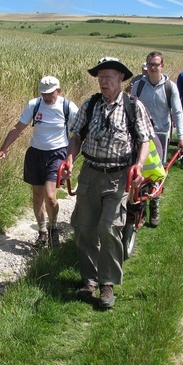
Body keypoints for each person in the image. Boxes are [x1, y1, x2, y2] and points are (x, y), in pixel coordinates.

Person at [62, 57, 155, 308]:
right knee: (84, 226)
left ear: (121, 78)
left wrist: (139, 165)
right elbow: (77, 135)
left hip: (118, 176)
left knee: (110, 227)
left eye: (109, 76)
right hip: (90, 173)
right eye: (100, 76)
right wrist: (70, 159)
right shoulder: (90, 104)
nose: (103, 81)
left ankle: (107, 284)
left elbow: (144, 140)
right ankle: (89, 280)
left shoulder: (133, 106)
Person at [0, 76, 78, 249]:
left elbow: (77, 133)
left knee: (50, 196)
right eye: (43, 93)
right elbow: (18, 128)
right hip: (35, 154)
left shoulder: (67, 107)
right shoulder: (34, 105)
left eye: (50, 93)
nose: (46, 97)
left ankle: (53, 227)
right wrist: (3, 149)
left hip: (57, 154)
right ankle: (42, 233)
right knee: (37, 196)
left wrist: (70, 159)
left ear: (59, 91)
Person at [130, 51, 183, 226]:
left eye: (156, 64)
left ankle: (154, 206)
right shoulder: (138, 86)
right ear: (146, 66)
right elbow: (130, 109)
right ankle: (140, 207)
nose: (153, 67)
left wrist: (182, 137)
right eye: (150, 64)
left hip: (161, 135)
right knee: (139, 171)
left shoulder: (170, 87)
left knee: (156, 173)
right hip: (140, 135)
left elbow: (177, 112)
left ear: (162, 66)